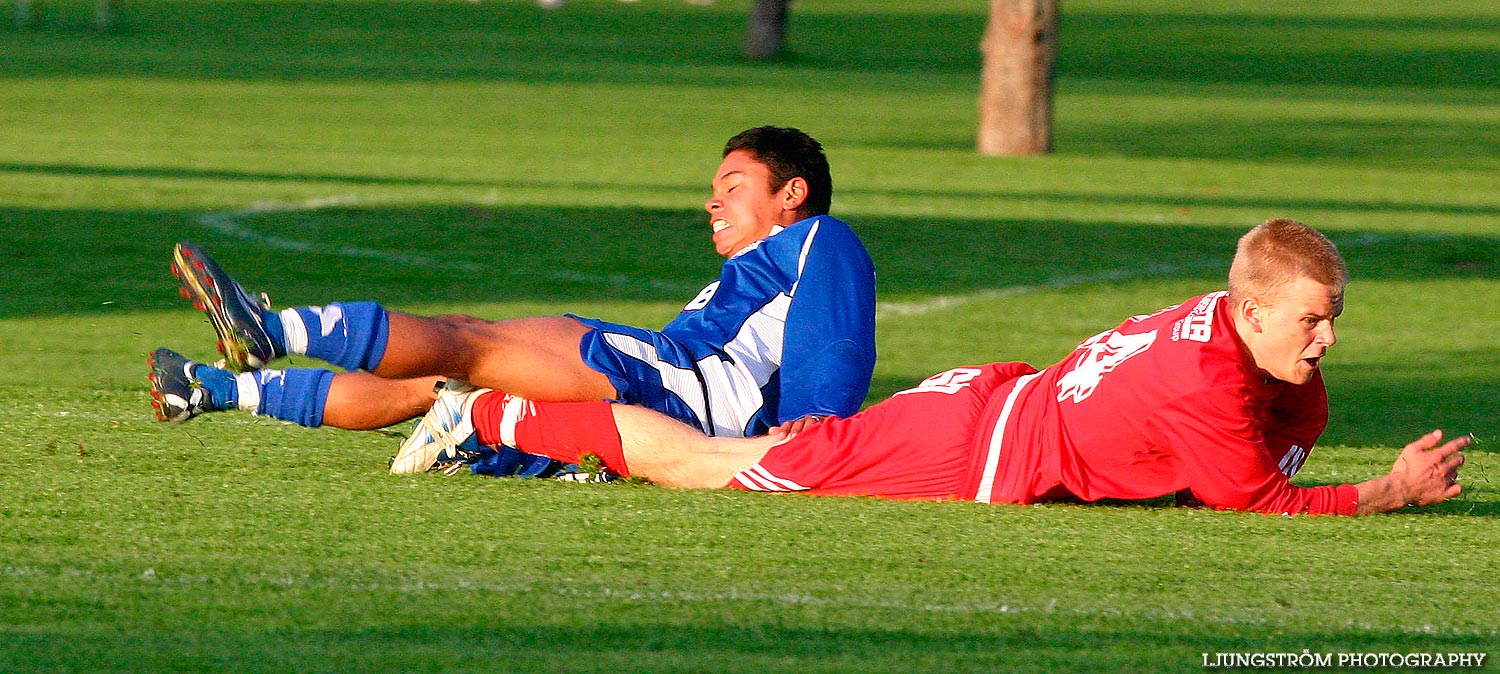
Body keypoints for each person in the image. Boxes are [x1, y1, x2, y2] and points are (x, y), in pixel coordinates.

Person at [392, 218, 1469, 515]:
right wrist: (1390, 489)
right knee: (713, 467)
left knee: (756, 452)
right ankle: (490, 419)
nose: (1324, 338)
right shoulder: (1206, 375)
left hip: (988, 404)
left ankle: (509, 427)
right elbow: (1257, 498)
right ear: (1247, 309)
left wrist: (1304, 394)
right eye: (1311, 320)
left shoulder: (1221, 325)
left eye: (1334, 318)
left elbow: (1277, 427)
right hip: (970, 443)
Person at [149, 126, 877, 475]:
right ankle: (214, 391)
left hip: (672, 384)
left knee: (468, 340)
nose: (712, 201)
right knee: (437, 377)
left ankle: (269, 328)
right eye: (714, 188)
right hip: (673, 401)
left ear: (793, 194)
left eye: (733, 185)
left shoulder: (820, 239)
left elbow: (836, 340)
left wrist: (820, 426)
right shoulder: (757, 270)